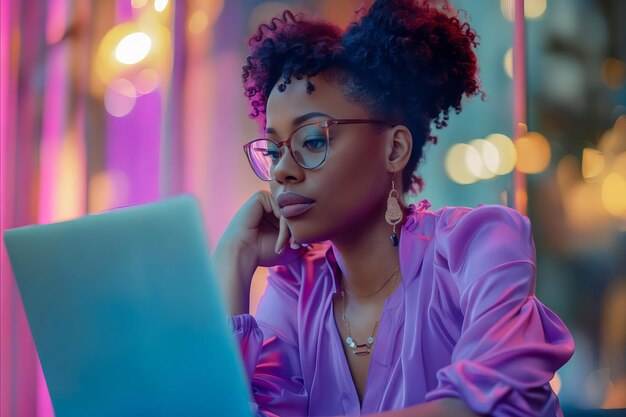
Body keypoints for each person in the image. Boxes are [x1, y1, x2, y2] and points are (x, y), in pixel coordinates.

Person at [212, 1, 575, 416]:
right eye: (275, 149)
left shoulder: (478, 245)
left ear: (395, 148)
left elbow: (489, 406)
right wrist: (233, 257)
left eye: (312, 140)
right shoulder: (296, 288)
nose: (282, 171)